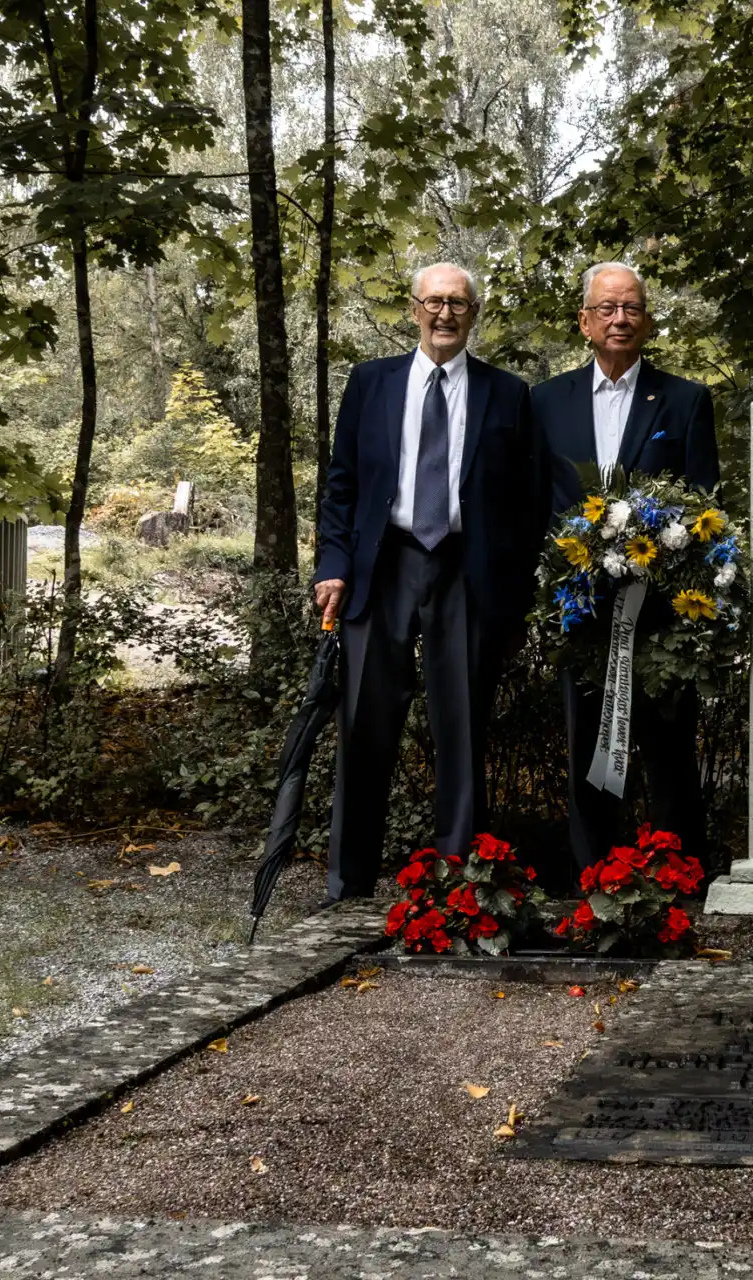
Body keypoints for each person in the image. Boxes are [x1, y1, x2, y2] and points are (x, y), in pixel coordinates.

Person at [313, 262, 545, 901]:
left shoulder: (507, 394)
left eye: (458, 304)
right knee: (365, 721)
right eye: (434, 303)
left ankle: (458, 882)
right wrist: (331, 565)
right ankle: (349, 879)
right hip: (382, 565)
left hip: (465, 570)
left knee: (461, 724)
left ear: (474, 314)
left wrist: (515, 591)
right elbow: (341, 485)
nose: (445, 315)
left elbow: (527, 505)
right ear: (414, 309)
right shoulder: (371, 383)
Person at [533, 261, 719, 878]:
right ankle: (595, 880)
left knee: (667, 750)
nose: (620, 318)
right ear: (585, 322)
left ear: (647, 320)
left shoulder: (687, 400)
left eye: (632, 308)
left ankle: (678, 881)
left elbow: (703, 507)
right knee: (587, 746)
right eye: (607, 308)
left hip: (662, 613)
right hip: (579, 610)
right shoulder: (544, 403)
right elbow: (534, 505)